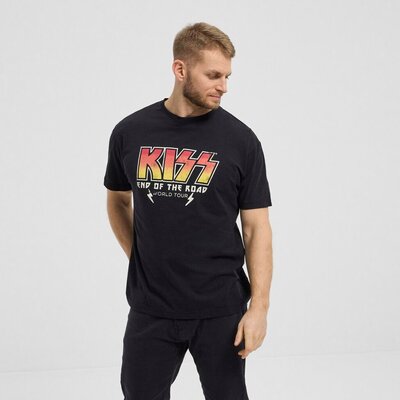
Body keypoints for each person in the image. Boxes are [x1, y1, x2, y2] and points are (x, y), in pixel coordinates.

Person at [103, 21, 273, 400]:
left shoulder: (241, 141)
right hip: (151, 307)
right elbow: (117, 200)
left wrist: (259, 308)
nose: (224, 86)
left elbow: (256, 228)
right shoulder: (130, 132)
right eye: (213, 75)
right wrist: (139, 256)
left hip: (221, 308)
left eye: (227, 76)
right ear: (180, 69)